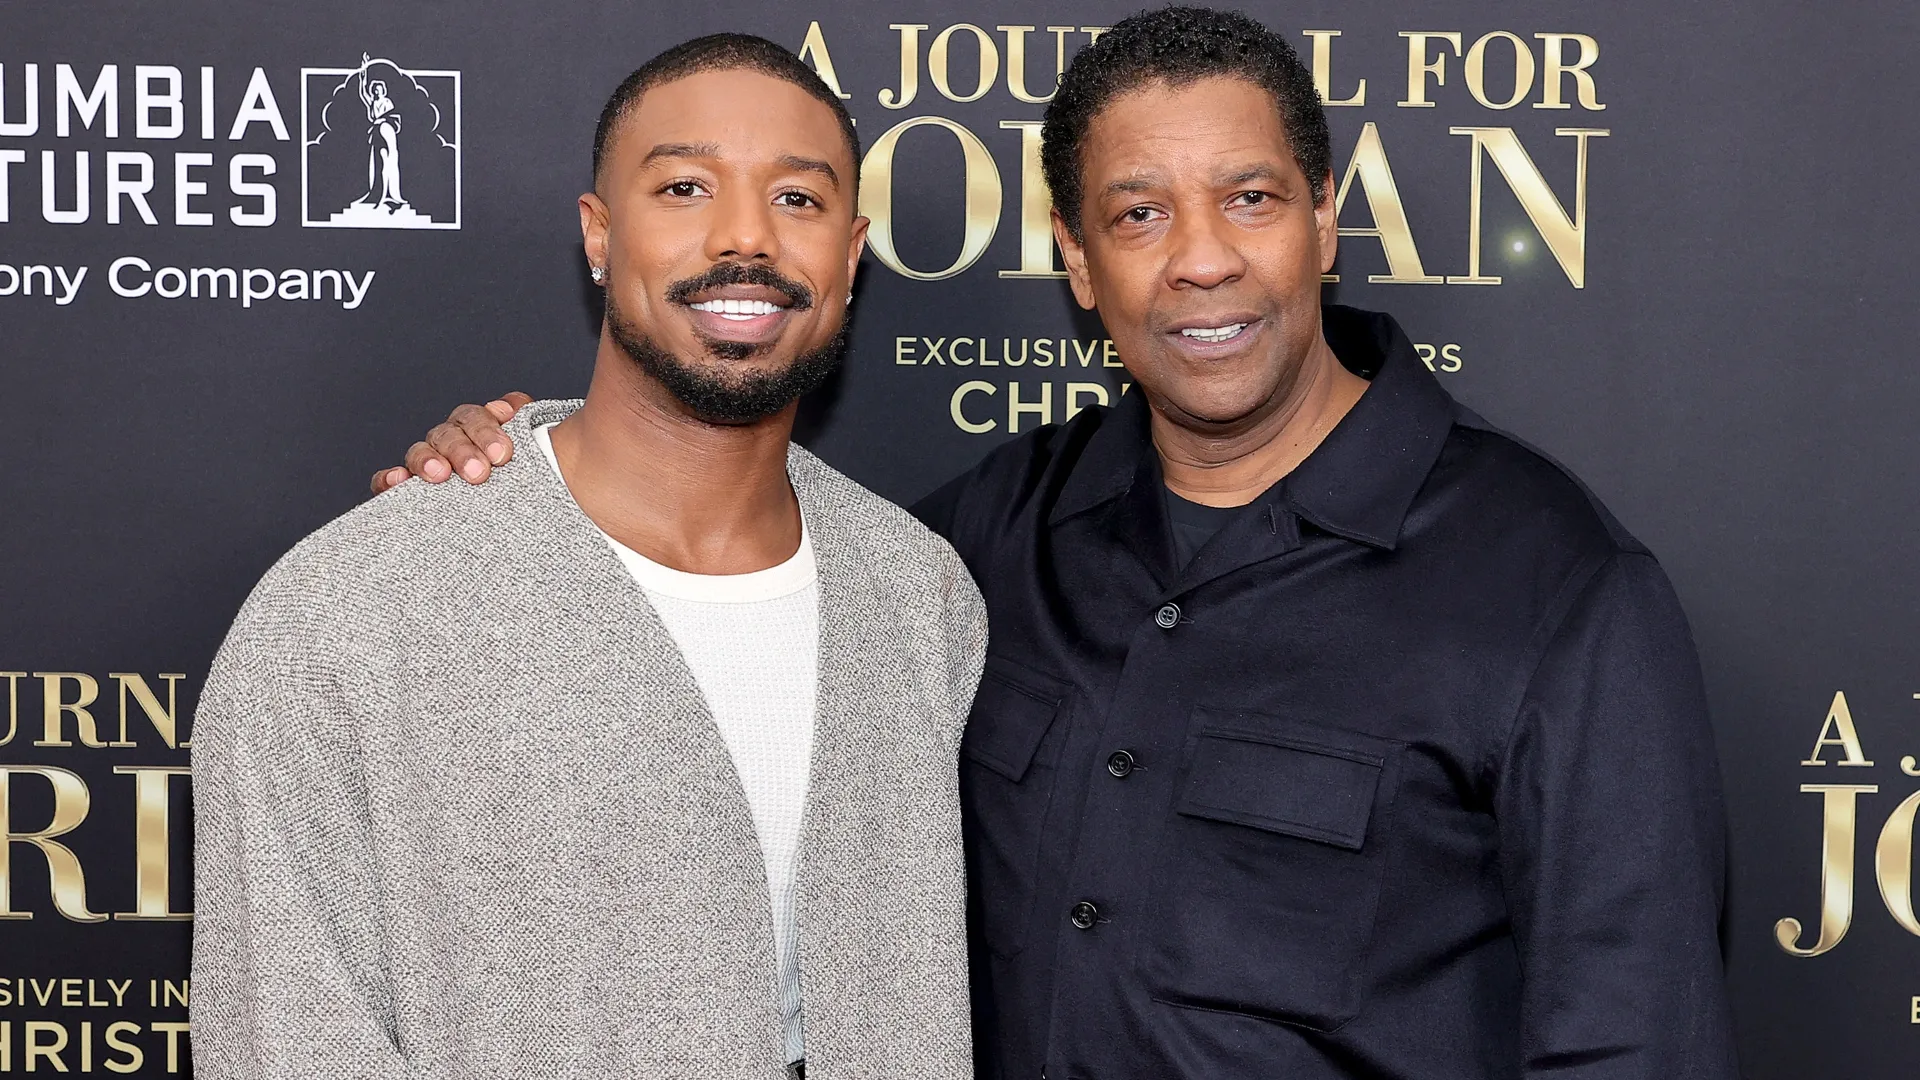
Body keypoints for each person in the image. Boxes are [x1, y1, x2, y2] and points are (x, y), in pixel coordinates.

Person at [374, 7, 1740, 1079]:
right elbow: (718, 582)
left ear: (1326, 224)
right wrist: (526, 466)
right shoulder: (984, 541)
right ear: (1081, 268)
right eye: (1138, 214)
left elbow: (1632, 1044)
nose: (1199, 261)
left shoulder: (1557, 591)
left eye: (1251, 200)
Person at [193, 34, 984, 1080]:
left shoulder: (920, 593)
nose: (746, 235)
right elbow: (281, 1038)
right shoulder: (350, 610)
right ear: (599, 235)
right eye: (686, 187)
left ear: (851, 251)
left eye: (798, 199)